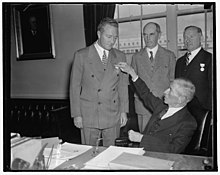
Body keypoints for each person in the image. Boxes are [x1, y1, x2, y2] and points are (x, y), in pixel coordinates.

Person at [69, 17, 128, 147]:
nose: (112, 41)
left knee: (111, 153)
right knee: (88, 153)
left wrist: (124, 111)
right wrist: (77, 114)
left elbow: (123, 86)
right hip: (89, 114)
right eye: (109, 36)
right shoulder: (81, 55)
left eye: (115, 37)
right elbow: (74, 86)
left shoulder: (120, 56)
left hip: (112, 113)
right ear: (99, 34)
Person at [115, 62, 197, 153]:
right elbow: (146, 94)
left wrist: (141, 139)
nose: (165, 91)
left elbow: (174, 149)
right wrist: (132, 73)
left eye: (171, 90)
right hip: (140, 151)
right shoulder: (161, 107)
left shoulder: (188, 123)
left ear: (181, 99)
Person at [131, 22, 176, 132]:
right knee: (143, 142)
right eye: (145, 35)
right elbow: (133, 83)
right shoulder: (136, 57)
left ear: (159, 35)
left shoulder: (169, 56)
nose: (147, 38)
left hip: (163, 106)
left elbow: (173, 81)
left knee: (161, 143)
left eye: (151, 34)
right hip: (143, 106)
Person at [175, 26, 212, 118]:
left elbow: (214, 89)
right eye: (186, 37)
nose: (188, 40)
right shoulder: (179, 62)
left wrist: (213, 113)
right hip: (183, 113)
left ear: (201, 38)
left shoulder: (209, 59)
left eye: (191, 36)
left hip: (202, 112)